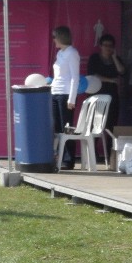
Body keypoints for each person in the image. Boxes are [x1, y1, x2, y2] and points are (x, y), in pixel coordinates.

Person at [51, 25, 80, 170]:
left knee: (66, 127)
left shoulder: (72, 53)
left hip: (65, 94)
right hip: (55, 92)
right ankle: (58, 156)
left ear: (61, 37)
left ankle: (68, 159)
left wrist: (72, 99)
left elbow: (75, 77)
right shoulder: (60, 54)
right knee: (57, 127)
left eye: (55, 37)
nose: (53, 40)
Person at [87, 33, 124, 137]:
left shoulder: (116, 59)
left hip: (112, 96)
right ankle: (93, 151)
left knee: (111, 125)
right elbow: (93, 75)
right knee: (95, 124)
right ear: (100, 46)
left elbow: (121, 71)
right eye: (105, 45)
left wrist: (114, 57)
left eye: (110, 46)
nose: (108, 48)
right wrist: (111, 80)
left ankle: (109, 151)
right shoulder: (94, 58)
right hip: (96, 95)